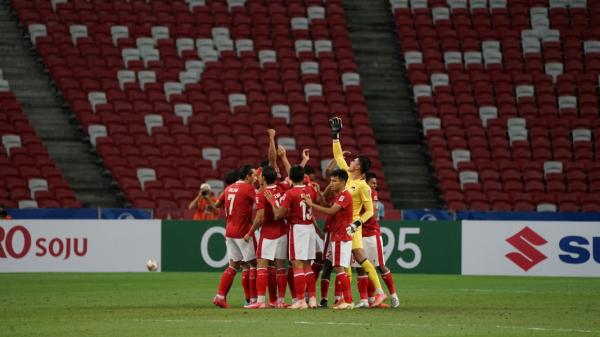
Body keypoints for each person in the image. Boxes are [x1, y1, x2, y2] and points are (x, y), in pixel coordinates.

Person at [329, 116, 387, 307]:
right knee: (349, 261)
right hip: (343, 225)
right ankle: (347, 297)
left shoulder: (363, 186)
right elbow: (338, 156)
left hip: (352, 226)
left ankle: (375, 293)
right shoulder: (348, 177)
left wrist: (356, 224)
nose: (350, 161)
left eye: (354, 161)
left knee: (358, 258)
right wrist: (335, 136)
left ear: (359, 166)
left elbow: (370, 210)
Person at [267, 165, 318, 309]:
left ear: (290, 178)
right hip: (310, 228)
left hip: (298, 229)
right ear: (304, 177)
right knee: (307, 264)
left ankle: (301, 300)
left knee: (297, 264)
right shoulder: (311, 190)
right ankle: (312, 298)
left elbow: (278, 215)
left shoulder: (290, 193)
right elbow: (319, 200)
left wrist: (272, 202)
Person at [303, 169, 354, 309]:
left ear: (343, 181)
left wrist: (312, 205)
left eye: (334, 180)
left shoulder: (345, 196)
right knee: (338, 267)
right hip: (338, 235)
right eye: (331, 180)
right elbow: (327, 204)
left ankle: (348, 301)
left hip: (340, 235)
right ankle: (343, 300)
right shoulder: (339, 195)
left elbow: (332, 211)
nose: (331, 183)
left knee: (339, 267)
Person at [212, 165, 258, 308]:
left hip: (229, 231)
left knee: (234, 265)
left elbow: (217, 204)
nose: (256, 178)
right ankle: (254, 300)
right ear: (247, 177)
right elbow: (260, 201)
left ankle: (220, 296)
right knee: (254, 264)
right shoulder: (248, 188)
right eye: (254, 175)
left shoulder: (228, 188)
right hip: (243, 232)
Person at [243, 166, 289, 309]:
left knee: (261, 266)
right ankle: (280, 301)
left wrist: (250, 232)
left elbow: (260, 217)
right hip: (283, 231)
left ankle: (261, 301)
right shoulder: (282, 187)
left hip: (268, 233)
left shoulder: (261, 194)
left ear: (263, 178)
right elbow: (291, 178)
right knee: (281, 268)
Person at [363, 172, 399, 308]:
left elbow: (373, 213)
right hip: (361, 234)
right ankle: (371, 299)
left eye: (376, 183)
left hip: (372, 234)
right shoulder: (361, 191)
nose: (375, 186)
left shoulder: (372, 193)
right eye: (373, 183)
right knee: (367, 268)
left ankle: (394, 296)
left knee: (380, 266)